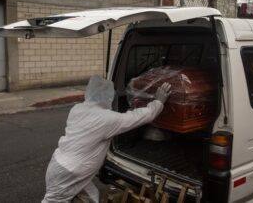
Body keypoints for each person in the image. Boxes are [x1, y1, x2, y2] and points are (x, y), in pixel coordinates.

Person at [42, 75, 171, 203]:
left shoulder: (77, 109)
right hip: (70, 173)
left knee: (91, 196)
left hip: (58, 165)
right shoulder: (106, 119)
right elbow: (139, 117)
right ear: (108, 96)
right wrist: (158, 102)